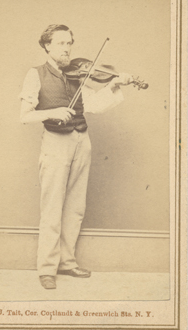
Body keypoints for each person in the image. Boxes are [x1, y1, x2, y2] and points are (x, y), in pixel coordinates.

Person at [20, 24, 132, 290]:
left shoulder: (76, 74)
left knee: (75, 206)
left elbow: (92, 105)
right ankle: (47, 268)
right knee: (52, 206)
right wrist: (52, 112)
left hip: (82, 140)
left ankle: (67, 262)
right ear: (47, 46)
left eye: (69, 43)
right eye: (60, 44)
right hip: (55, 143)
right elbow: (24, 115)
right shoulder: (35, 74)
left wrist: (114, 84)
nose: (67, 48)